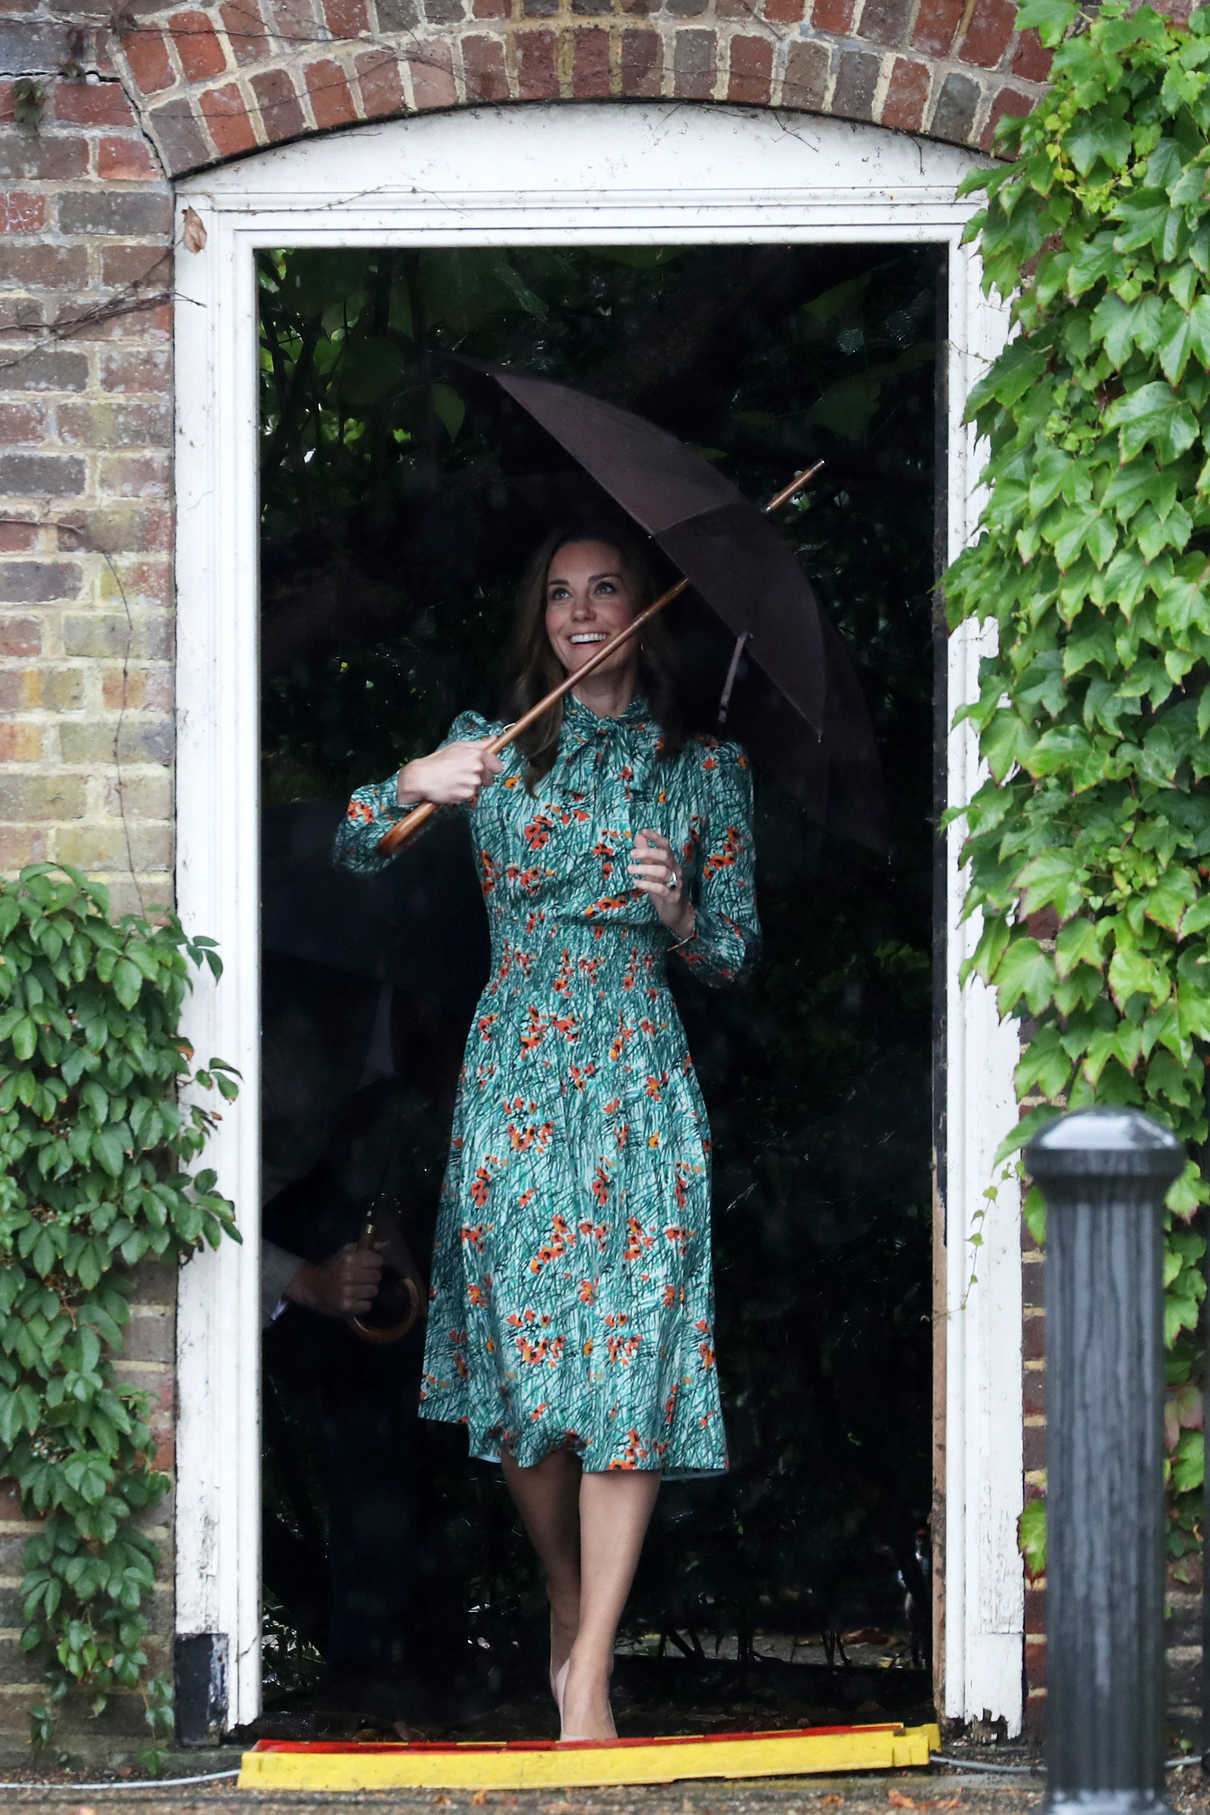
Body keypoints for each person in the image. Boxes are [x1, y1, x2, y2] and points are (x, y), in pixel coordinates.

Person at [333, 522, 759, 1742]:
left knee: (628, 1359)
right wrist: (418, 777)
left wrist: (677, 906)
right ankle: (565, 1589)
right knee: (529, 1373)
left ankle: (591, 1671)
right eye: (560, 593)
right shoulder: (499, 748)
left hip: (635, 1070)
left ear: (643, 609)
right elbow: (358, 842)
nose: (580, 611)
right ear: (542, 616)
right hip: (516, 1066)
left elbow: (730, 956)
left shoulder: (700, 769)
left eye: (604, 589)